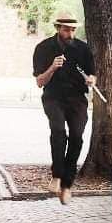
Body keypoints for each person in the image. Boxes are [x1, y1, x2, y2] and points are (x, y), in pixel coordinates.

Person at [33, 12, 96, 205]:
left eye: (73, 29)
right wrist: (52, 68)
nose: (70, 33)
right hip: (53, 97)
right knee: (59, 131)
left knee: (77, 136)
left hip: (77, 99)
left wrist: (91, 79)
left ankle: (67, 185)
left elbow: (92, 75)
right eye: (66, 29)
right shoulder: (43, 48)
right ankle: (57, 176)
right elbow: (39, 82)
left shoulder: (82, 48)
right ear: (58, 28)